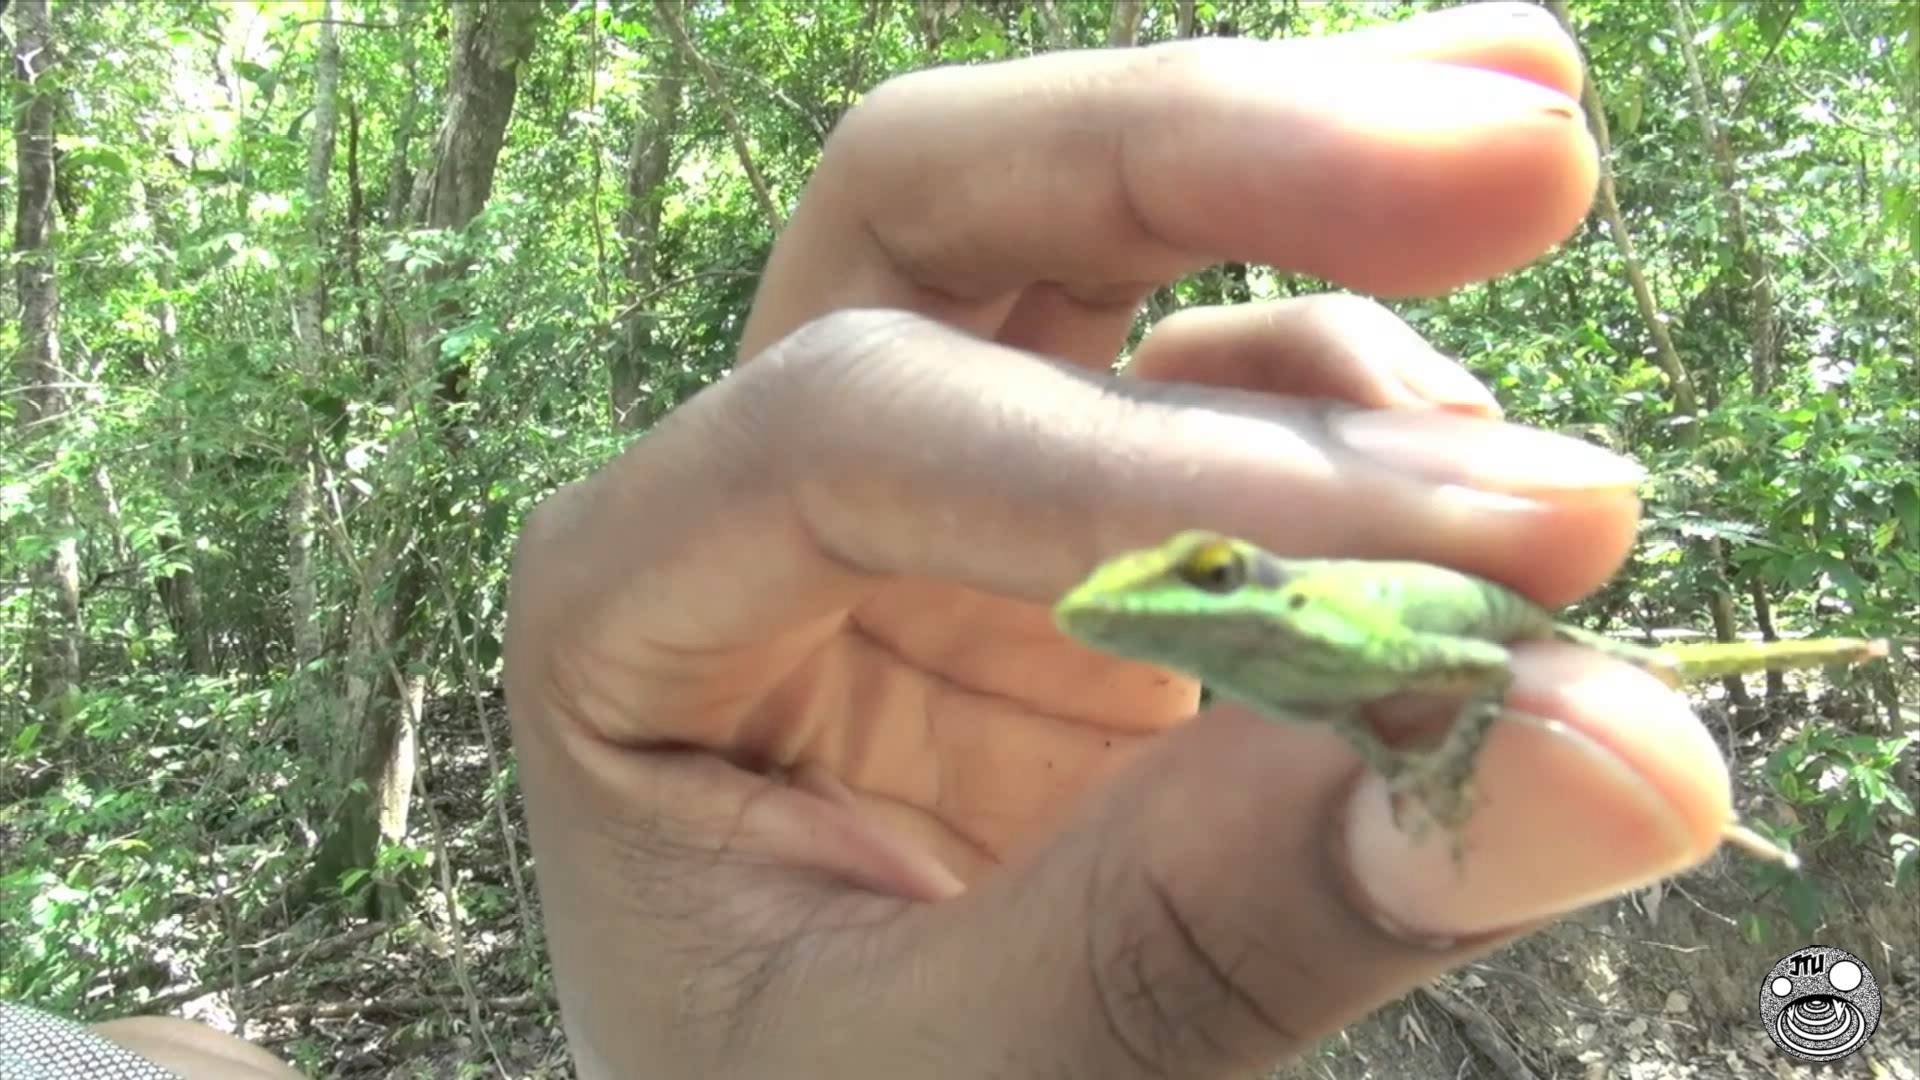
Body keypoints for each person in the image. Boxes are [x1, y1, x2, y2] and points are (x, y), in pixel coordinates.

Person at [18, 4, 1738, 1076]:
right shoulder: (1262, 654)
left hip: (1507, 638)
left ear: (1251, 579)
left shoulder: (1344, 635)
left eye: (1203, 566)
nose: (1139, 596)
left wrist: (1427, 776)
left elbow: (185, 1061)